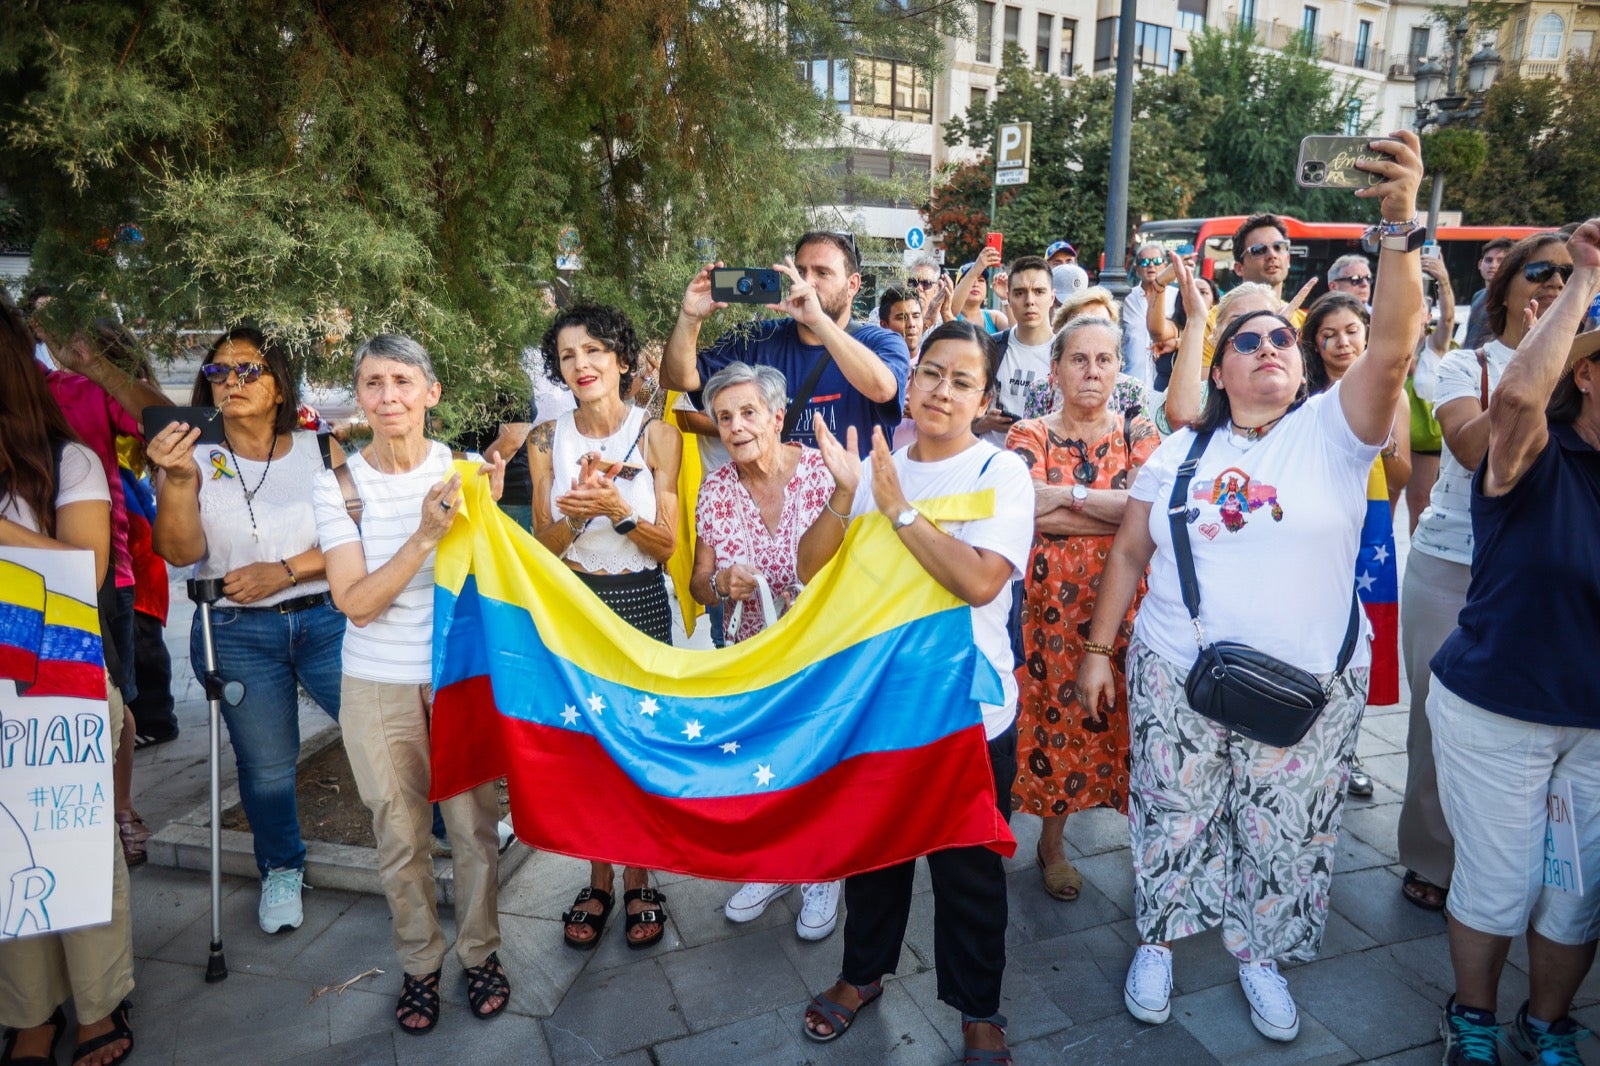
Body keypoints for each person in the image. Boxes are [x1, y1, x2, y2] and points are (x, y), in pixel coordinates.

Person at [1078, 131, 1424, 1043]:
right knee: (1172, 812)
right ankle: (1157, 937)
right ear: (1221, 368)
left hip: (1313, 679)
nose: (1270, 345)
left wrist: (1399, 228)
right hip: (1173, 670)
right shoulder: (1181, 449)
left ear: (1302, 364)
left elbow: (1390, 350)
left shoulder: (1335, 432)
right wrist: (1097, 653)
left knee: (1285, 831)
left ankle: (1259, 954)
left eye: (1282, 337)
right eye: (1247, 340)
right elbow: (1127, 554)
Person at [795, 319, 1034, 1064]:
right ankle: (862, 974)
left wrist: (897, 509)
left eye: (963, 380)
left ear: (983, 398)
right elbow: (810, 570)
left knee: (968, 867)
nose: (942, 389)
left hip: (969, 711)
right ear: (914, 378)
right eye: (932, 372)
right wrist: (848, 494)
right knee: (876, 852)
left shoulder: (1001, 475)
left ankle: (978, 1007)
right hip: (884, 703)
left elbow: (979, 580)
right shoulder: (878, 467)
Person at [1427, 216, 1600, 1066]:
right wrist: (1585, 281)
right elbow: (1521, 400)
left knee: (1574, 899)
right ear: (1591, 376)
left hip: (1595, 726)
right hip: (1500, 709)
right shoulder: (1535, 451)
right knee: (1500, 887)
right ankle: (1473, 1016)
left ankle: (1550, 1021)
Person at [314, 333, 511, 1034]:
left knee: (474, 831)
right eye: (372, 383)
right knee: (399, 836)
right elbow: (357, 603)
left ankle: (481, 952)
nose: (388, 396)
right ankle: (420, 965)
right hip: (375, 685)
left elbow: (496, 585)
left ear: (431, 392)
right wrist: (425, 536)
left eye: (402, 380)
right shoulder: (338, 485)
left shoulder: (467, 473)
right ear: (360, 398)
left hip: (455, 684)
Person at [144, 326, 344, 933]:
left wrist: (285, 571)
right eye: (218, 372)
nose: (230, 382)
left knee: (387, 731)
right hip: (236, 629)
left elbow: (352, 539)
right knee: (266, 765)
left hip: (327, 618)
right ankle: (281, 868)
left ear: (280, 384)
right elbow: (179, 553)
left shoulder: (322, 450)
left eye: (247, 370)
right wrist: (176, 482)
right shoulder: (190, 458)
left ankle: (439, 827)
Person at [1398, 231, 1571, 914]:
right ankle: (1433, 857)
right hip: (1451, 566)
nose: (1557, 282)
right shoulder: (1466, 366)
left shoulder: (1586, 371)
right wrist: (1532, 368)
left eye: (1573, 274)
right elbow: (1475, 455)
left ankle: (1520, 860)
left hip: (1544, 575)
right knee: (1435, 717)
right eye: (1542, 270)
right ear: (1504, 291)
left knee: (1533, 724)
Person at [0, 299, 134, 1066]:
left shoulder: (68, 462)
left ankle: (97, 1003)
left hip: (55, 681)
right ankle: (27, 1012)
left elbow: (81, 574)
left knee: (71, 843)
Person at [526, 304, 683, 951]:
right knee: (586, 750)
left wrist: (617, 511)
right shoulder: (546, 439)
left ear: (621, 358)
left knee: (637, 744)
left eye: (593, 350)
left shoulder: (656, 436)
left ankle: (642, 874)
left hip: (642, 604)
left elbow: (667, 544)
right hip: (576, 606)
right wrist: (578, 517)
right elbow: (543, 541)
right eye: (568, 355)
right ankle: (597, 876)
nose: (582, 365)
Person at [1006, 315, 1160, 903]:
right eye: (1078, 359)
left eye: (1104, 360)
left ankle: (1152, 851)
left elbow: (1151, 510)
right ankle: (1052, 843)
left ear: (1120, 370)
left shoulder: (1139, 432)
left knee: (1136, 726)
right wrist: (1117, 507)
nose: (1091, 371)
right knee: (1057, 725)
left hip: (1130, 612)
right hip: (1048, 619)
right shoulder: (1029, 434)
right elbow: (1026, 512)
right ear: (1056, 369)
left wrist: (1068, 498)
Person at [688, 361, 842, 940]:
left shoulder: (822, 474)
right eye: (724, 417)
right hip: (755, 653)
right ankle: (777, 863)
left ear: (778, 416)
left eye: (749, 412)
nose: (736, 426)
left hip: (824, 649)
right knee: (767, 764)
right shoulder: (716, 489)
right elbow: (699, 582)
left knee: (820, 758)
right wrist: (721, 582)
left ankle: (824, 868)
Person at [1301, 291, 1414, 796]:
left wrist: (1383, 438)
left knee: (1358, 643)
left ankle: (1349, 750)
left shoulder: (1396, 394)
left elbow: (1401, 477)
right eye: (1329, 334)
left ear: (1368, 334)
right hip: (1313, 531)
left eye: (1351, 331)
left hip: (1366, 534)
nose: (1342, 342)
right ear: (1315, 345)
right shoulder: (1304, 394)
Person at [662, 232, 910, 458]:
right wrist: (689, 318)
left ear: (852, 285)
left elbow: (882, 389)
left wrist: (819, 322)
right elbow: (679, 378)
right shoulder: (759, 339)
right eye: (800, 271)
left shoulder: (882, 342)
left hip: (855, 504)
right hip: (778, 503)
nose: (807, 282)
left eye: (822, 273)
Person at [975, 254, 1054, 445]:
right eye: (1019, 293)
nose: (1029, 301)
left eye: (1039, 291)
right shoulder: (990, 348)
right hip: (991, 462)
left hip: (1042, 467)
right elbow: (961, 418)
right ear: (1008, 298)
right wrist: (984, 423)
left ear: (1052, 297)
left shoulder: (1066, 354)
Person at [1405, 255, 1457, 534]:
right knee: (1379, 503)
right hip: (1389, 439)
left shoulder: (1435, 346)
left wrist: (1444, 281)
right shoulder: (1387, 347)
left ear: (1427, 316)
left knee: (1420, 502)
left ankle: (1416, 561)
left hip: (1425, 442)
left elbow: (1448, 319)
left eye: (1419, 309)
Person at [1121, 242, 1178, 387]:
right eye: (1145, 261)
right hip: (1132, 384)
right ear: (1137, 268)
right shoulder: (1126, 298)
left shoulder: (1178, 297)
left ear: (1165, 265)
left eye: (1157, 261)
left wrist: (1176, 342)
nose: (1151, 265)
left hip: (1168, 385)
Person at [1462, 237, 1513, 350]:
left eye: (1500, 261)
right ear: (1480, 264)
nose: (1493, 265)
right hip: (1468, 361)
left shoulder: (1511, 299)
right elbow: (1472, 335)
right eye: (1489, 260)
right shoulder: (1477, 296)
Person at [950, 253, 1010, 334]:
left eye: (981, 280)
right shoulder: (948, 316)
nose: (976, 284)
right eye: (970, 279)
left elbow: (1016, 335)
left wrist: (1005, 298)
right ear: (957, 287)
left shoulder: (994, 317)